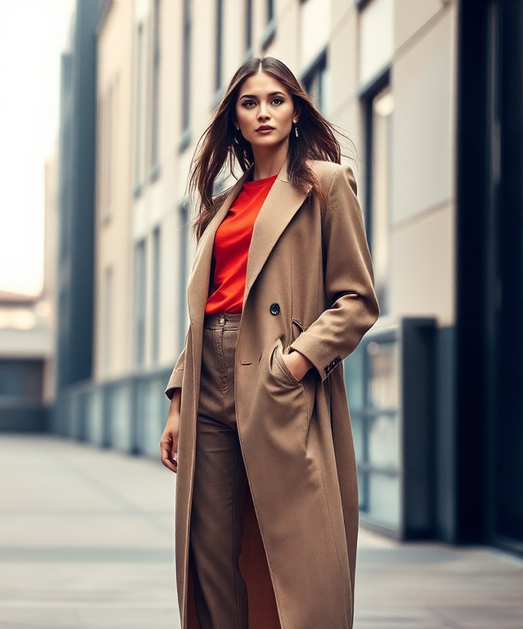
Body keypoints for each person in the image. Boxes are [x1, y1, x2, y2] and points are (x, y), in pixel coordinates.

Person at [159, 56, 378, 629]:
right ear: (234, 116)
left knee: (299, 548)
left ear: (297, 111)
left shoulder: (325, 184)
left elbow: (357, 300)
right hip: (208, 375)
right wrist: (179, 400)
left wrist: (299, 362)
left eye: (276, 100)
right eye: (249, 102)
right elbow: (204, 308)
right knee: (210, 547)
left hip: (278, 377)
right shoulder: (222, 204)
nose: (263, 113)